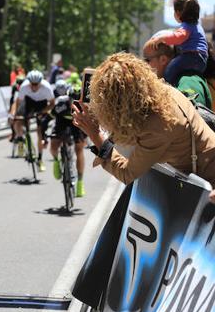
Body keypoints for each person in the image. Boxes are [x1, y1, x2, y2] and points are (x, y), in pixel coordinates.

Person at [72, 52, 215, 203]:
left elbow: (127, 173)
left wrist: (95, 135)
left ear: (118, 103)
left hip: (208, 183)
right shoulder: (160, 92)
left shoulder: (158, 125)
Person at [151, 0, 208, 87]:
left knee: (170, 69)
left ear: (177, 12)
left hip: (191, 57)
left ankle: (166, 87)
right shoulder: (196, 26)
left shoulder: (186, 27)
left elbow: (178, 38)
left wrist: (162, 38)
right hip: (201, 60)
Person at [143, 36, 212, 108]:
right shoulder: (175, 80)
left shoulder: (188, 80)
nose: (143, 64)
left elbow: (191, 113)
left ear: (163, 59)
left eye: (147, 60)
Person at [11, 70, 55, 171]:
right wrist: (17, 114)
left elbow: (52, 104)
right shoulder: (24, 87)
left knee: (40, 133)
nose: (34, 87)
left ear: (40, 82)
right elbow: (18, 102)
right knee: (18, 121)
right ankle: (21, 138)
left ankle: (39, 159)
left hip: (42, 105)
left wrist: (42, 112)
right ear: (29, 82)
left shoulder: (47, 88)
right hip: (29, 103)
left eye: (36, 84)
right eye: (32, 84)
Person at [49, 84, 87, 197]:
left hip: (77, 125)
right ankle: (56, 160)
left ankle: (80, 182)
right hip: (62, 123)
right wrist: (43, 135)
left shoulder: (85, 106)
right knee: (54, 144)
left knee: (79, 149)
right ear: (68, 98)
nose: (74, 103)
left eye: (77, 100)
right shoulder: (61, 104)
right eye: (72, 100)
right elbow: (47, 119)